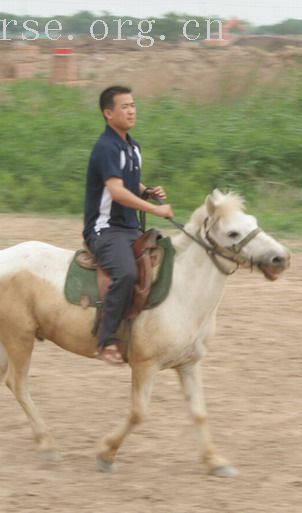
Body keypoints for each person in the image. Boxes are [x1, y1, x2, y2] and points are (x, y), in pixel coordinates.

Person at [83, 85, 173, 365]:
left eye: (133, 105)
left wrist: (146, 191)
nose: (132, 110)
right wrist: (155, 209)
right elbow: (117, 191)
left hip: (129, 228)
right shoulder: (106, 147)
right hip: (105, 230)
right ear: (108, 113)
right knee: (125, 273)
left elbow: (129, 183)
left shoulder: (132, 147)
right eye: (125, 106)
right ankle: (106, 339)